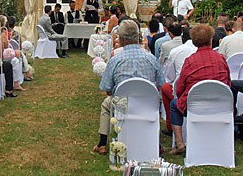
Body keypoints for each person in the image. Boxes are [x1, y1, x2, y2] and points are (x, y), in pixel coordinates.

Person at [93, 20, 164, 155]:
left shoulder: (115, 60)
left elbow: (107, 89)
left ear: (121, 39)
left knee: (105, 105)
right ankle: (157, 142)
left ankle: (102, 143)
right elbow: (161, 84)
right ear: (139, 37)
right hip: (148, 105)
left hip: (122, 106)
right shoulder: (151, 58)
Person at [170, 24, 231, 154]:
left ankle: (180, 143)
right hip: (219, 105)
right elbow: (228, 84)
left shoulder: (190, 61)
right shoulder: (221, 59)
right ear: (211, 39)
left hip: (194, 106)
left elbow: (180, 89)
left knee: (174, 105)